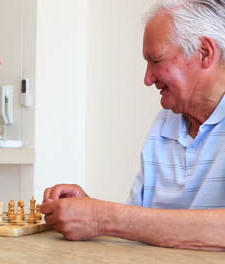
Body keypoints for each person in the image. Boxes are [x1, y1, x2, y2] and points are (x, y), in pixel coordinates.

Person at [42, 0, 224, 251]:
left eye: (156, 60)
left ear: (204, 52)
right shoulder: (165, 123)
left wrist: (103, 218)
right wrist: (89, 211)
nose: (147, 79)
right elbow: (141, 225)